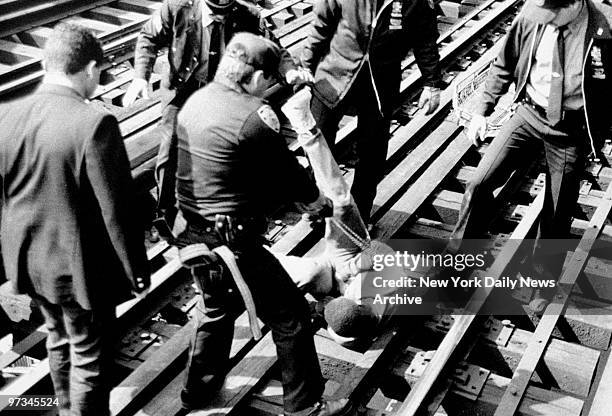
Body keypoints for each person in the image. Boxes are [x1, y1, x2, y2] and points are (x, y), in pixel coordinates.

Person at [173, 32, 347, 416]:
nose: (269, 89)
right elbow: (288, 175)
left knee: (215, 309)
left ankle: (196, 394)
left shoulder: (195, 102)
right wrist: (317, 203)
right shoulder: (253, 118)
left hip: (191, 235)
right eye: (268, 80)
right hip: (232, 245)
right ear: (251, 77)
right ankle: (304, 407)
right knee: (291, 316)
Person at [0, 23, 150, 416]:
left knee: (57, 338)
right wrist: (136, 271)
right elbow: (117, 211)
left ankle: (65, 409)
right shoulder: (93, 124)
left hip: (31, 263)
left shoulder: (8, 116)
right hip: (78, 270)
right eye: (98, 73)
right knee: (88, 354)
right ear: (88, 69)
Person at [452, 0, 612, 312]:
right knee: (478, 183)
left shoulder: (606, 26)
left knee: (556, 210)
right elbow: (504, 62)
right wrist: (483, 110)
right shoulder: (530, 15)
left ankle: (543, 282)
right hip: (529, 113)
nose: (546, 22)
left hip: (571, 129)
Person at [123, 0, 312, 223]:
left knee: (236, 143)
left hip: (220, 91)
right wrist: (140, 76)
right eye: (216, 14)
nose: (222, 16)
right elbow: (148, 37)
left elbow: (273, 48)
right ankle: (166, 213)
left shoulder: (247, 15)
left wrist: (289, 72)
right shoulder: (176, 8)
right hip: (182, 89)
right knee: (170, 147)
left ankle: (237, 209)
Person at [300, 0, 443, 223]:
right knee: (317, 144)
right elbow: (321, 25)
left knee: (372, 154)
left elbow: (425, 37)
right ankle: (321, 206)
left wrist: (432, 83)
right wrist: (306, 68)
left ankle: (359, 215)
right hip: (334, 75)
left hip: (380, 82)